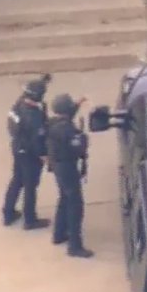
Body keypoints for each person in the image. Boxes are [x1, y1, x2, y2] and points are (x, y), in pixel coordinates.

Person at [47, 94, 94, 258]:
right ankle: (75, 245)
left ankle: (59, 234)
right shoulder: (67, 130)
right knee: (75, 205)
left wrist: (78, 104)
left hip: (58, 167)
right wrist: (83, 136)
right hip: (68, 168)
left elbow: (68, 114)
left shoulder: (52, 123)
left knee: (64, 199)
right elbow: (79, 148)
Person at [2, 76, 52, 230]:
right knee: (31, 185)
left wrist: (44, 80)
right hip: (30, 154)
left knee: (17, 180)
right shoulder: (33, 116)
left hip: (18, 148)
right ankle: (30, 220)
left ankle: (8, 213)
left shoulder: (19, 103)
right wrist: (44, 156)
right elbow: (37, 141)